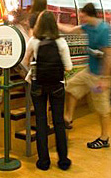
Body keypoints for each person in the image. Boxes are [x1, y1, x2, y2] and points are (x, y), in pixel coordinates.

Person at [58, 3, 111, 149]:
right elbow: (69, 30)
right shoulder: (87, 27)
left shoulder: (104, 30)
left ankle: (104, 138)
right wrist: (54, 23)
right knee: (71, 86)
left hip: (99, 77)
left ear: (89, 15)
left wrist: (105, 79)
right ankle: (68, 118)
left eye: (82, 16)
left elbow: (109, 56)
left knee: (102, 108)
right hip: (89, 72)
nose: (80, 18)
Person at [23, 11, 73, 170]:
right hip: (57, 86)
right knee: (58, 122)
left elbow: (25, 61)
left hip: (38, 85)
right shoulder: (61, 43)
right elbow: (68, 67)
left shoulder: (34, 41)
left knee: (41, 121)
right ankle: (63, 161)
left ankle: (43, 162)